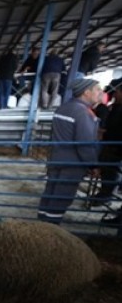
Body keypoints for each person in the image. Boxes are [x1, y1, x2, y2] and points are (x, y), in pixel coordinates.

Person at [37, 78, 102, 224]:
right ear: (86, 92)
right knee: (62, 197)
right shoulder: (83, 113)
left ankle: (41, 225)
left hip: (56, 158)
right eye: (97, 90)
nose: (101, 93)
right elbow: (85, 144)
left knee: (50, 192)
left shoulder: (63, 107)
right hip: (72, 163)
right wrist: (93, 165)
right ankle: (51, 230)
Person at [91, 84, 122, 210]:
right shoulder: (115, 107)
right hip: (109, 144)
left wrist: (105, 132)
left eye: (118, 92)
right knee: (106, 170)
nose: (114, 95)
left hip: (116, 146)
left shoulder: (114, 108)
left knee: (112, 172)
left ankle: (106, 195)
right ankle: (104, 193)